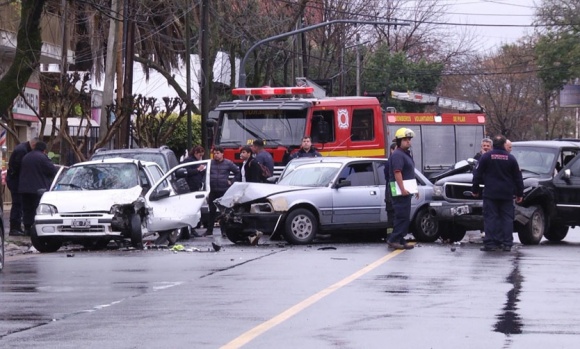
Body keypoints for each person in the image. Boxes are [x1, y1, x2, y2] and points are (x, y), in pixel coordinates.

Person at [472, 135, 524, 252]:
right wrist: (519, 194)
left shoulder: (486, 157)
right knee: (507, 218)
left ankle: (490, 243)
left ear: (493, 144)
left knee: (491, 218)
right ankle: (506, 243)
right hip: (506, 194)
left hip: (491, 193)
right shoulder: (511, 158)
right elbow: (518, 177)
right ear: (504, 144)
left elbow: (477, 175)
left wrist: (475, 190)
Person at [386, 128, 418, 250]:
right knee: (401, 216)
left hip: (405, 191)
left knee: (404, 216)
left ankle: (401, 239)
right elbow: (397, 173)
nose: (408, 142)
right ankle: (393, 239)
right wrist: (403, 189)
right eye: (405, 139)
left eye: (409, 139)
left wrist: (415, 190)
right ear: (399, 141)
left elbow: (409, 174)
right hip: (399, 192)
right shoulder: (398, 155)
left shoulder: (405, 154)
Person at [18, 141, 58, 236]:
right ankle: (35, 229)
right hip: (38, 189)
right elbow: (52, 170)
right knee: (37, 209)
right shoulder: (42, 158)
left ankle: (27, 228)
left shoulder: (26, 156)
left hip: (24, 188)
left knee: (27, 209)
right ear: (44, 150)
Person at [204, 146, 241, 237]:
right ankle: (209, 230)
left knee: (223, 212)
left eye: (218, 153)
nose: (216, 155)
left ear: (222, 154)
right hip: (212, 190)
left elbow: (238, 172)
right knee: (211, 211)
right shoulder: (210, 163)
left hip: (223, 190)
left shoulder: (228, 163)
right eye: (214, 153)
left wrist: (231, 181)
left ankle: (224, 231)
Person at [6, 137, 38, 236]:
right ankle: (14, 228)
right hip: (15, 181)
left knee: (19, 204)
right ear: (33, 145)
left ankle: (17, 227)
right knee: (17, 204)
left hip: (17, 180)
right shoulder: (22, 150)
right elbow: (18, 167)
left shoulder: (24, 149)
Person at [383, 142, 397, 230]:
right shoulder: (390, 163)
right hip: (391, 190)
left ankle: (391, 236)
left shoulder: (391, 161)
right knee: (392, 216)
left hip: (391, 190)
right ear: (391, 150)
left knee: (392, 216)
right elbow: (389, 178)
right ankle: (392, 237)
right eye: (396, 150)